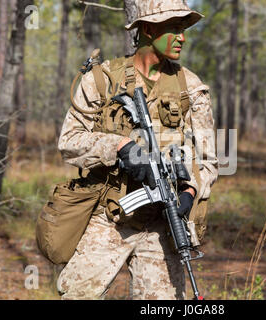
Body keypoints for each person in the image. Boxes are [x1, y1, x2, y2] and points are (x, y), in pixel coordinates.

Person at [56, 0, 218, 300]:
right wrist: (118, 147)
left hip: (162, 226)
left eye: (183, 28)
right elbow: (68, 141)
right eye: (173, 27)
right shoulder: (102, 80)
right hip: (110, 216)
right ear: (146, 28)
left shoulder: (191, 88)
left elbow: (209, 161)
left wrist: (190, 191)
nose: (182, 36)